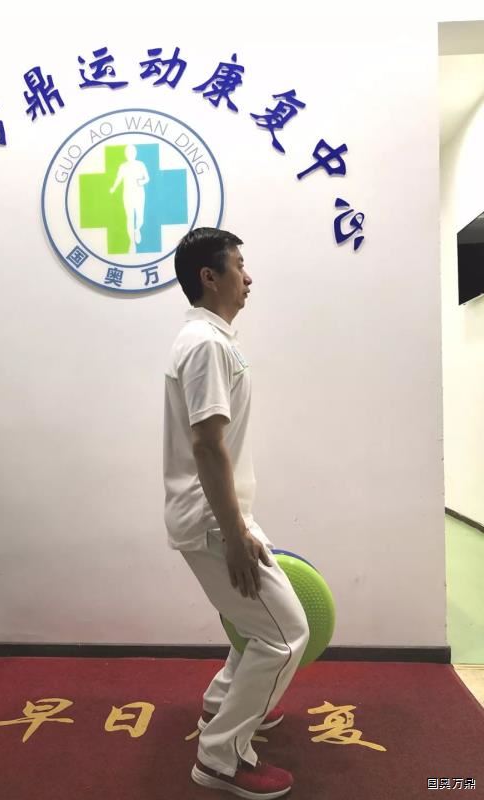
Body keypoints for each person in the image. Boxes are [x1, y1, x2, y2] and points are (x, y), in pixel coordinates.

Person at [163, 227, 310, 798]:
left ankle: (223, 703)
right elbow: (206, 445)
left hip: (220, 515)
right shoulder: (206, 345)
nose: (249, 278)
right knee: (286, 635)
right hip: (212, 521)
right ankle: (220, 757)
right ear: (210, 276)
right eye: (239, 266)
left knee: (258, 625)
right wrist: (233, 534)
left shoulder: (213, 339)